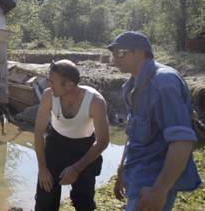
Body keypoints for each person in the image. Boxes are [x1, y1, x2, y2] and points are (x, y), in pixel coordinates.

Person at [108, 31, 202, 211]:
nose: (115, 58)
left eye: (121, 53)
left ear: (141, 53)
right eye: (113, 53)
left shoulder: (164, 83)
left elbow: (181, 141)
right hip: (137, 174)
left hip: (153, 181)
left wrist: (160, 189)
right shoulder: (131, 86)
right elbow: (133, 133)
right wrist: (122, 169)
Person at [34, 59, 109, 211]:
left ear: (69, 85)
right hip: (55, 145)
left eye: (52, 82)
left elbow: (103, 141)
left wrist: (76, 168)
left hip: (84, 149)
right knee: (45, 201)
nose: (49, 85)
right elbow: (38, 132)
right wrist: (42, 168)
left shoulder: (95, 101)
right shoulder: (49, 95)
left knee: (83, 202)